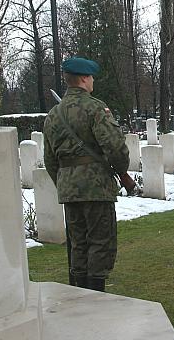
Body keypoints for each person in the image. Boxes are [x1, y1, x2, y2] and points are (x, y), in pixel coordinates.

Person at [43, 57, 130, 292]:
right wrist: (121, 171)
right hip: (96, 187)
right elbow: (114, 146)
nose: (92, 81)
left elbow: (50, 159)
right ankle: (96, 296)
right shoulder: (95, 108)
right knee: (100, 242)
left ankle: (79, 294)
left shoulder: (53, 114)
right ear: (83, 78)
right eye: (91, 77)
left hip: (69, 190)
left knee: (78, 243)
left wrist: (66, 183)